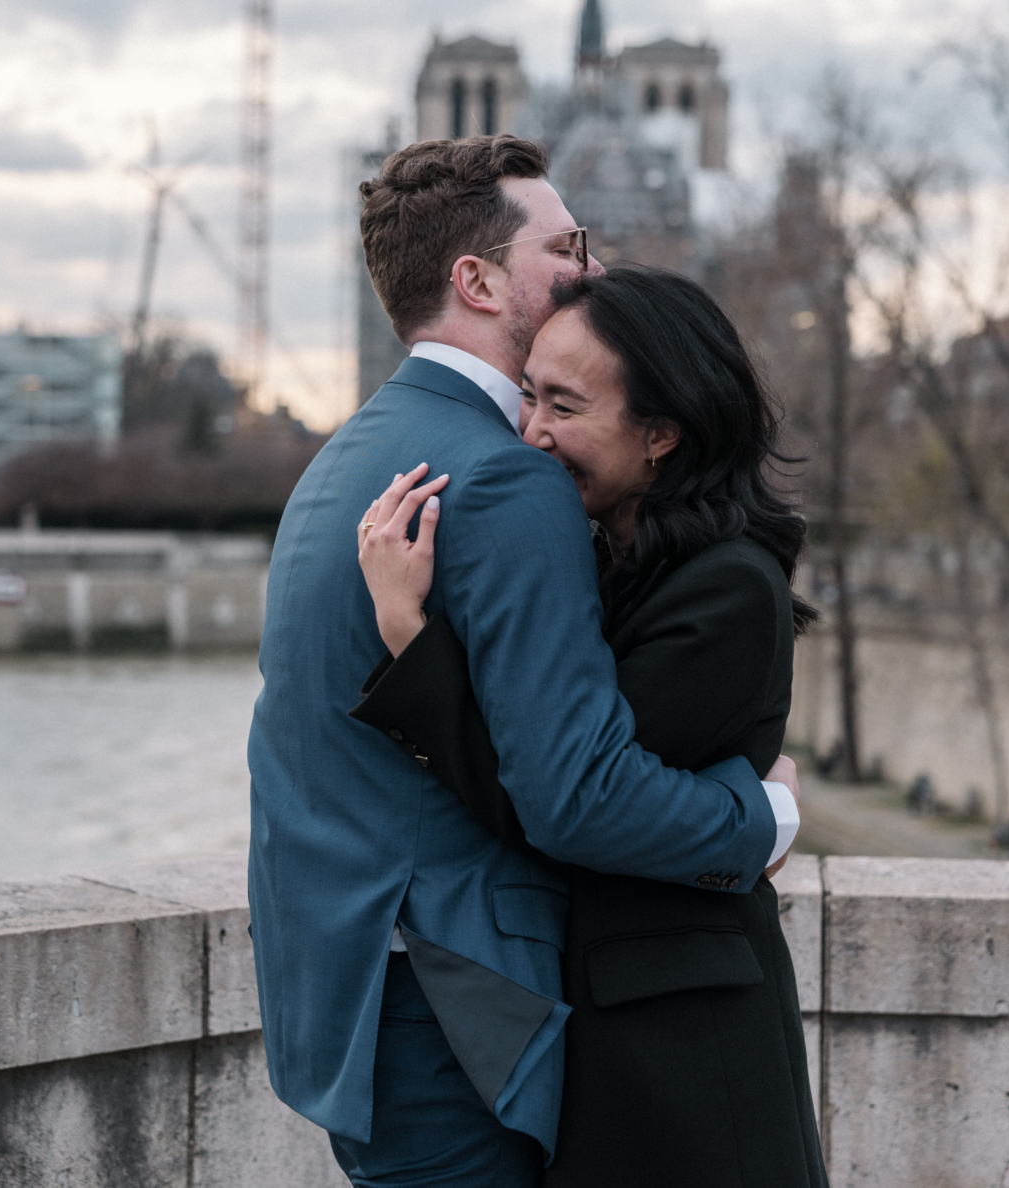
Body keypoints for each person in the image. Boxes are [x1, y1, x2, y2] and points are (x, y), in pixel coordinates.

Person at [247, 135, 800, 1188]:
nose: (587, 269)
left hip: (349, 989)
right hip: (460, 1000)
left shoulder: (349, 455)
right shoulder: (506, 478)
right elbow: (579, 794)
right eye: (564, 246)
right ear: (479, 279)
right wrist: (758, 819)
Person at [354, 265, 827, 1188]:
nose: (531, 432)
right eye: (528, 395)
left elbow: (558, 799)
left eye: (564, 407)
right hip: (614, 1017)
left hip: (685, 1042)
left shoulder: (727, 589)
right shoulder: (604, 560)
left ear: (660, 434)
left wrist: (411, 638)